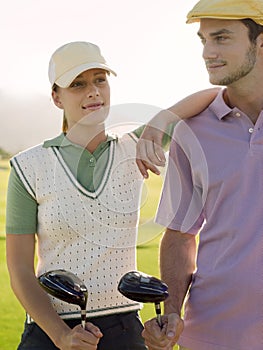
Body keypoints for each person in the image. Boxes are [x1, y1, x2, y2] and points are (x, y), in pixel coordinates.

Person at [5, 41, 218, 350]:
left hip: (123, 331)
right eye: (78, 84)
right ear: (56, 97)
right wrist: (61, 336)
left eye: (100, 80)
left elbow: (213, 95)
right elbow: (20, 269)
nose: (93, 91)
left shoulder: (136, 148)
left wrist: (159, 122)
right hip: (49, 331)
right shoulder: (28, 166)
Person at [140, 1, 263, 349]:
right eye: (204, 40)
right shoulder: (191, 132)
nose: (208, 52)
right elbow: (179, 235)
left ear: (261, 42)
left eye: (222, 38)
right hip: (211, 332)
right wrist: (173, 311)